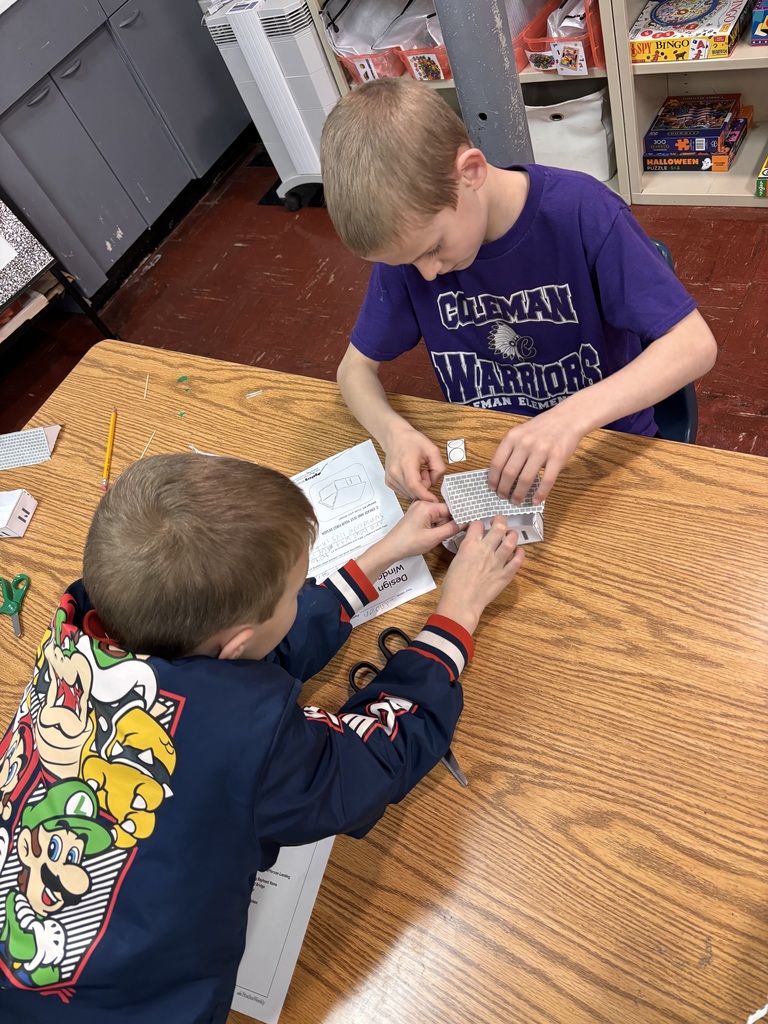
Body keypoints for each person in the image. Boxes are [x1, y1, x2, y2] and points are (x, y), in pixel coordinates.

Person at [0, 452, 524, 1022]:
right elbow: (366, 764)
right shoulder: (250, 741)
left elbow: (232, 651)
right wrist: (458, 613)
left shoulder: (85, 629)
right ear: (235, 644)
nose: (300, 597)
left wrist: (378, 558)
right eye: (296, 592)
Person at [320, 77, 718, 505]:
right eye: (409, 262)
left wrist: (568, 419)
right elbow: (353, 371)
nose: (428, 274)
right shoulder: (412, 249)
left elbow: (694, 345)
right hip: (491, 456)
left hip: (602, 447)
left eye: (434, 249)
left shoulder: (582, 212)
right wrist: (393, 433)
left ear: (470, 172)